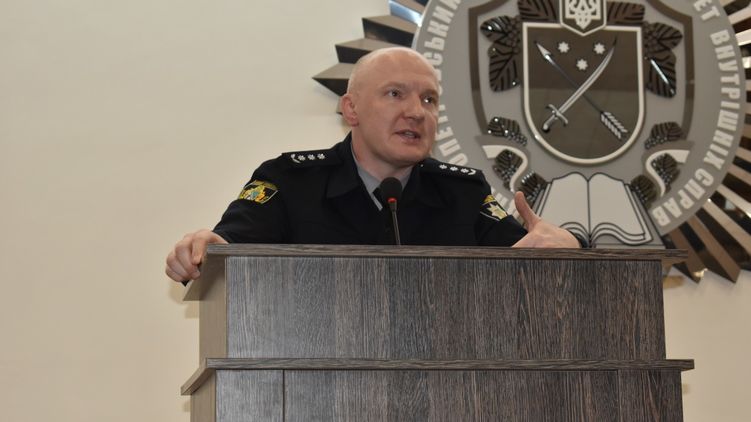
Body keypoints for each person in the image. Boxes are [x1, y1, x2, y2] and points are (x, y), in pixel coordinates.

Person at [165, 47, 580, 283]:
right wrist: (204, 248)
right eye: (395, 94)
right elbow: (228, 246)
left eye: (429, 100)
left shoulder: (463, 194)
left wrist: (569, 250)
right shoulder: (290, 182)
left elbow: (524, 256)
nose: (416, 112)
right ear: (351, 108)